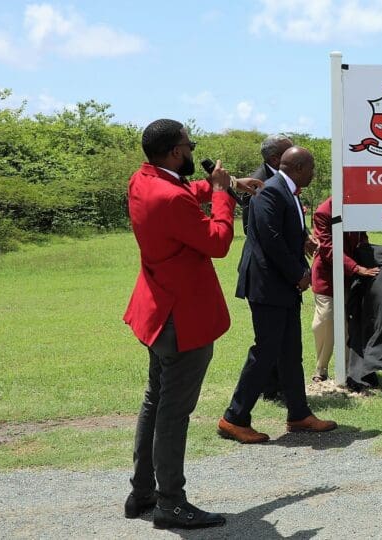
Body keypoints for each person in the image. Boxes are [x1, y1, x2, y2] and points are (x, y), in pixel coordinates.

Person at [123, 119, 262, 529]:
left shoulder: (144, 179)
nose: (193, 148)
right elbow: (218, 241)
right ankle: (170, 502)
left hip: (156, 311)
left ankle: (143, 492)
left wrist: (228, 184)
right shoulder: (170, 199)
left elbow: (182, 193)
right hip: (181, 319)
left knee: (155, 402)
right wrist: (222, 196)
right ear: (175, 153)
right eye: (189, 144)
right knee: (172, 413)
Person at [218, 146, 337, 444]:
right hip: (268, 284)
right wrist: (298, 273)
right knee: (267, 350)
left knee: (289, 350)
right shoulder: (272, 191)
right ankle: (234, 418)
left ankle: (298, 414)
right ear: (297, 167)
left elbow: (286, 229)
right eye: (310, 168)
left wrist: (303, 240)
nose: (313, 174)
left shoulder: (287, 189)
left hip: (280, 284)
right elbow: (270, 240)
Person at [246, 135, 294, 403]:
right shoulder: (260, 183)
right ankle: (264, 391)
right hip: (266, 271)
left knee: (283, 339)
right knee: (268, 340)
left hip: (279, 269)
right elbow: (263, 232)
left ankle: (287, 392)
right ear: (277, 159)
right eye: (291, 150)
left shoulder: (285, 181)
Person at [310, 196, 380, 382]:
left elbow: (361, 237)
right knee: (325, 320)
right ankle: (321, 367)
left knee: (349, 325)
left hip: (351, 277)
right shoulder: (324, 211)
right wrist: (356, 268)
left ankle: (350, 371)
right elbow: (327, 247)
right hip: (327, 277)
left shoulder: (357, 206)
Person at [242, 134, 293, 235]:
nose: (296, 156)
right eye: (290, 154)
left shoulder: (287, 177)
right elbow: (249, 226)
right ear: (274, 159)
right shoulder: (256, 184)